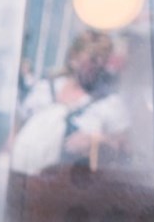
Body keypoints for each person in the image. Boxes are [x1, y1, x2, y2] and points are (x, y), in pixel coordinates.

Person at [15, 30, 128, 172]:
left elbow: (125, 150)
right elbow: (17, 127)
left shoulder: (109, 102)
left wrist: (96, 142)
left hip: (73, 181)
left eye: (103, 60)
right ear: (74, 58)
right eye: (93, 59)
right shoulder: (44, 89)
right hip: (27, 174)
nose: (99, 65)